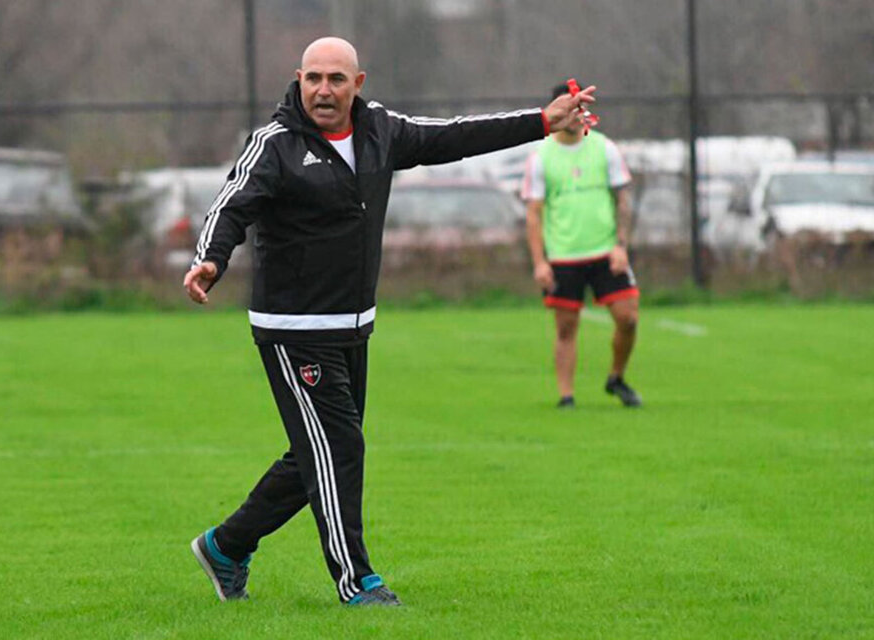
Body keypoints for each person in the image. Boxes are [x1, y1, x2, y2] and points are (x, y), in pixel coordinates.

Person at [183, 37, 596, 607]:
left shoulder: (381, 130)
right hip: (292, 328)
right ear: (298, 79)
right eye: (314, 79)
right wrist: (211, 258)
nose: (323, 90)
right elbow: (230, 206)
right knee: (341, 447)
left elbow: (454, 136)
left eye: (336, 79)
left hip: (352, 324)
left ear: (359, 82)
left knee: (319, 451)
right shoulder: (274, 145)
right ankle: (357, 582)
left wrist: (541, 123)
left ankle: (226, 546)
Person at [522, 81, 642, 409]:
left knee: (628, 318)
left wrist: (621, 246)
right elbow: (534, 215)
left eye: (582, 108)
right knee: (565, 327)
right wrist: (540, 262)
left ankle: (616, 377)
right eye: (572, 108)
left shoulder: (604, 148)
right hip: (564, 256)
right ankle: (566, 397)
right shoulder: (541, 157)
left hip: (606, 253)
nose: (578, 115)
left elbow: (623, 201)